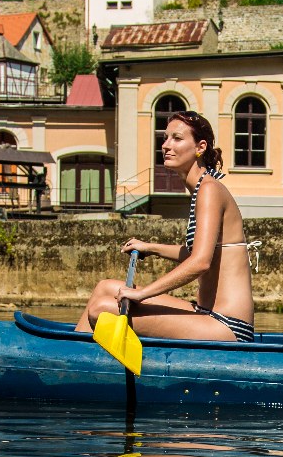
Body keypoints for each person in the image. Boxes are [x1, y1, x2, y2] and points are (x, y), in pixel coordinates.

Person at [75, 110, 257, 342]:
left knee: (101, 309)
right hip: (205, 314)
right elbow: (196, 253)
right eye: (165, 138)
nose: (166, 145)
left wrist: (142, 293)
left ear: (200, 147)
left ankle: (74, 362)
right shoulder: (201, 188)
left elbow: (200, 262)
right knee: (105, 287)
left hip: (227, 325)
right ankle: (73, 357)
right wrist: (150, 247)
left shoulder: (209, 190)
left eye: (177, 138)